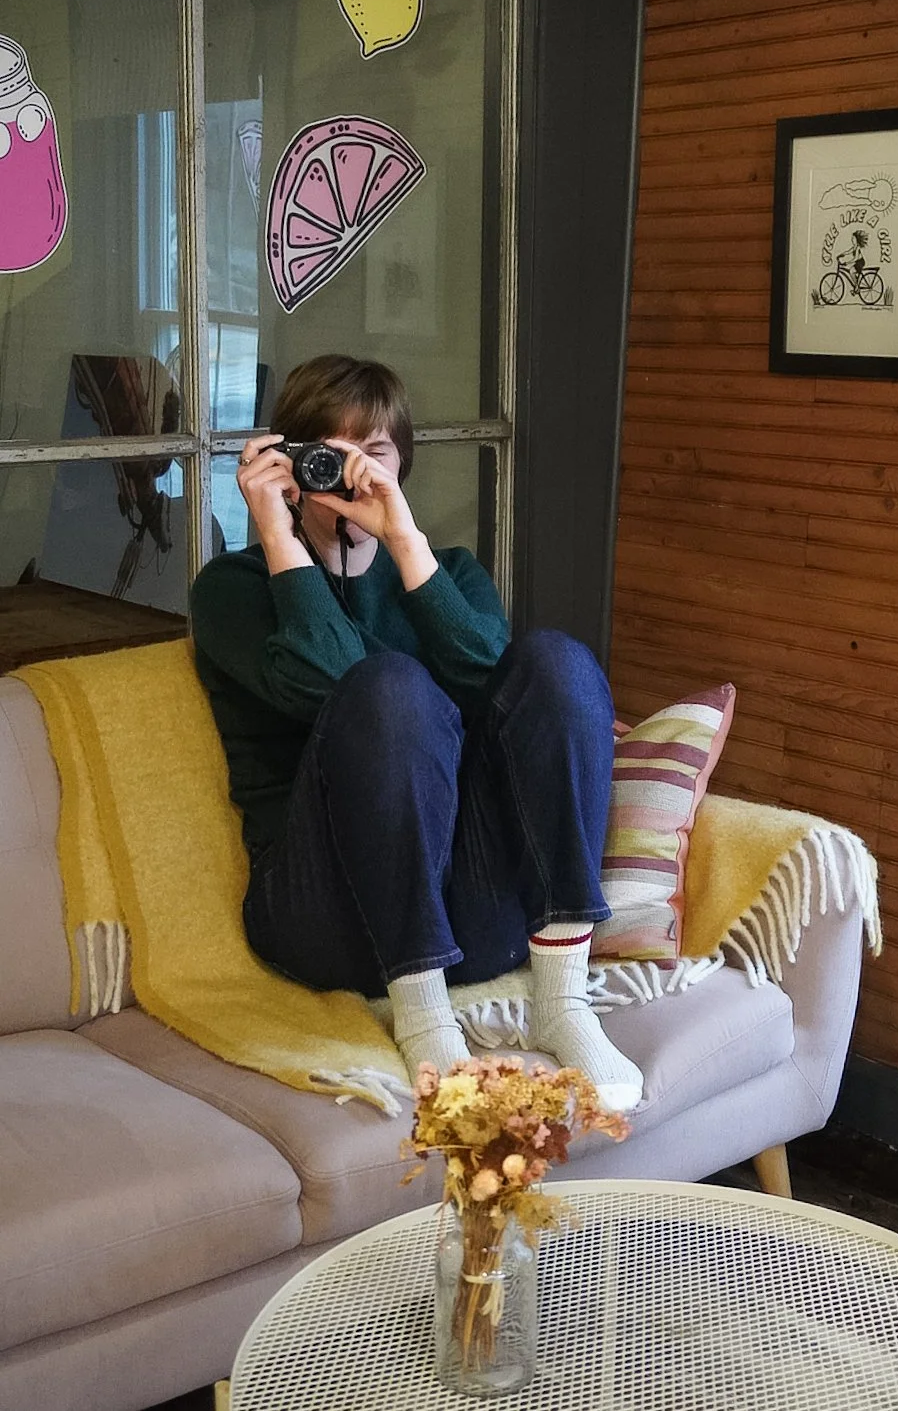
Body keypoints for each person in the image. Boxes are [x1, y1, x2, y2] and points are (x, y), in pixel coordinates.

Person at [190, 354, 642, 1112]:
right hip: (321, 914)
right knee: (390, 688)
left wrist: (405, 544)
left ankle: (563, 1001)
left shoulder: (449, 573)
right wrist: (277, 534)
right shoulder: (233, 591)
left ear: (403, 465)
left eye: (376, 452)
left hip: (472, 916)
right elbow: (328, 683)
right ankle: (424, 1017)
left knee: (556, 662)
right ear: (290, 463)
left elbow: (505, 694)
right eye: (329, 451)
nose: (351, 471)